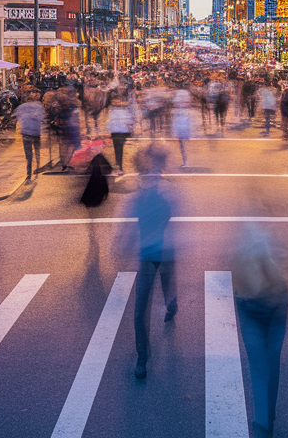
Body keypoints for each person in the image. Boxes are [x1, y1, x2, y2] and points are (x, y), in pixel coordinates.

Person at [233, 226, 288, 438]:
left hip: (258, 303)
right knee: (269, 364)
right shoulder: (272, 233)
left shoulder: (248, 234)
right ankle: (266, 420)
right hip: (270, 302)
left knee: (261, 365)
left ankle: (263, 424)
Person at [131, 145, 177, 380]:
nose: (149, 172)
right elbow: (129, 221)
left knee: (168, 290)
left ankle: (173, 305)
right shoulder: (138, 192)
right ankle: (142, 358)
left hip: (167, 255)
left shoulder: (169, 191)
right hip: (146, 257)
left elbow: (179, 224)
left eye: (153, 167)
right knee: (140, 312)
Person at [14, 91, 46, 179]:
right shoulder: (39, 106)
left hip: (26, 132)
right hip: (36, 132)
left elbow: (17, 117)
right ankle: (38, 167)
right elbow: (43, 118)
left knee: (28, 155)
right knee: (37, 151)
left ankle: (29, 173)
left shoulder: (21, 107)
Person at [106, 93, 136, 172]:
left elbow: (110, 121)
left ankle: (119, 165)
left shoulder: (114, 110)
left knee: (118, 148)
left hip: (119, 131)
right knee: (119, 148)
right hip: (118, 131)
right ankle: (119, 165)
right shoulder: (117, 110)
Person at [171, 84, 193, 168]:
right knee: (185, 143)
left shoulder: (177, 94)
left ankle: (186, 161)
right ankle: (187, 161)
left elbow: (174, 104)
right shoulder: (186, 94)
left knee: (182, 143)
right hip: (185, 119)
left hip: (180, 120)